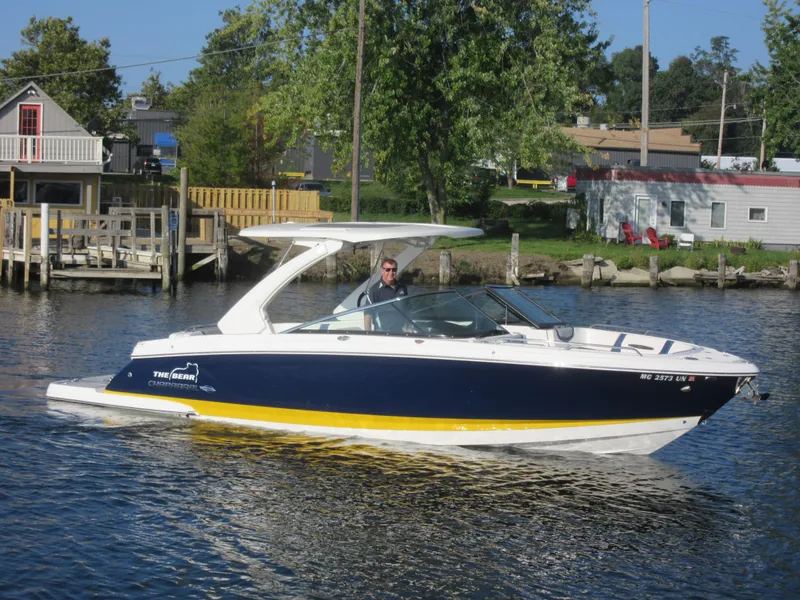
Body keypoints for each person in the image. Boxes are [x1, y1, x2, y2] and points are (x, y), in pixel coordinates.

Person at [364, 258, 408, 332]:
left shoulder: (402, 287)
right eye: (388, 270)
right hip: (382, 332)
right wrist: (368, 335)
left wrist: (409, 328)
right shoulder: (374, 290)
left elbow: (407, 309)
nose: (391, 272)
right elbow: (367, 315)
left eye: (394, 270)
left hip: (401, 331)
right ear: (382, 271)